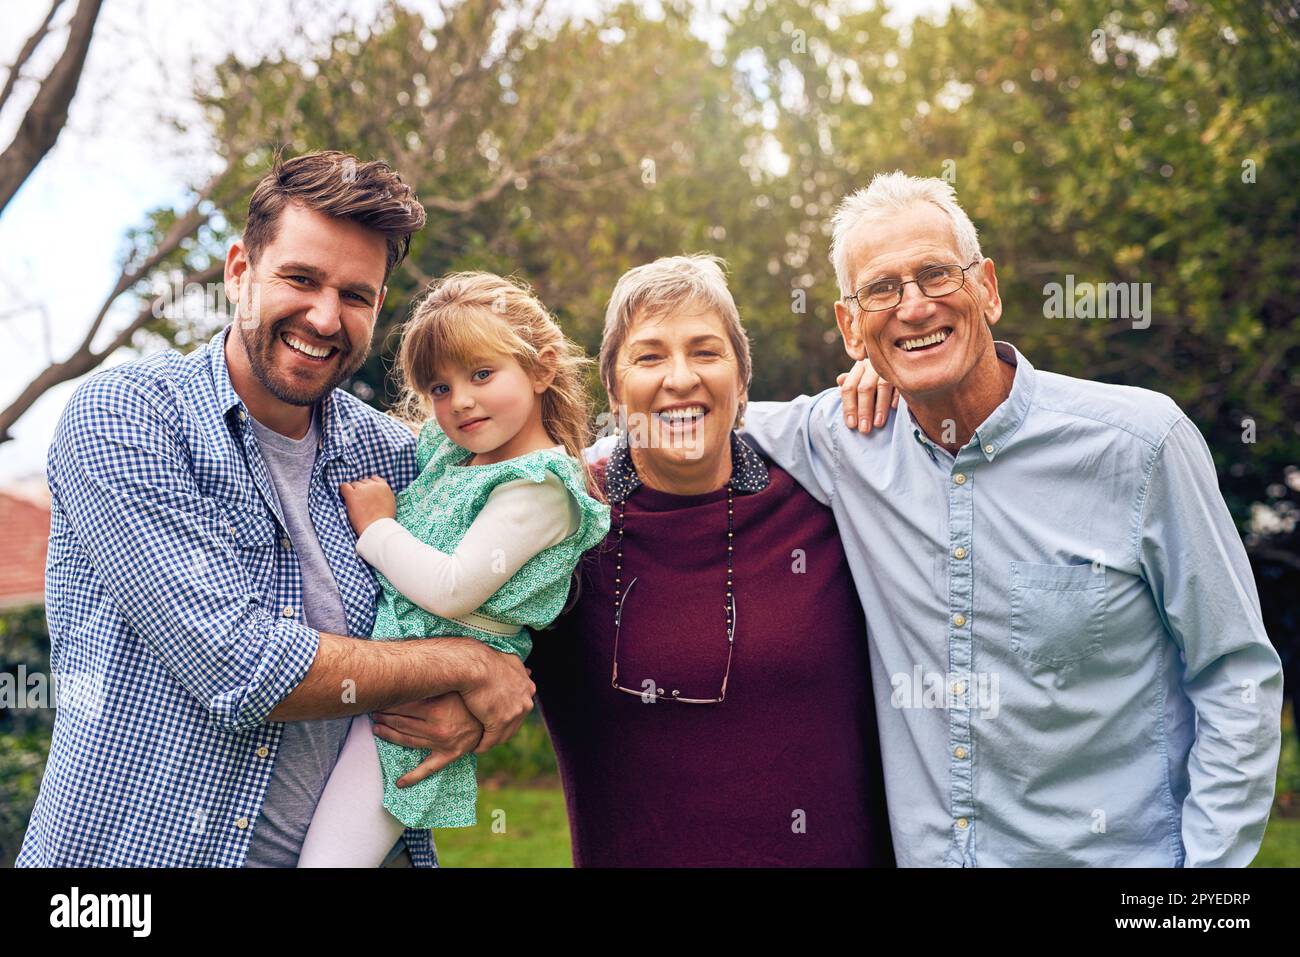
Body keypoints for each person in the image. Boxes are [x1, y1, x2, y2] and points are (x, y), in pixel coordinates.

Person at [738, 171, 1284, 866]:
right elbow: (680, 421)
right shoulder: (847, 440)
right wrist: (554, 477)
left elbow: (1235, 675)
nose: (913, 306)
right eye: (881, 289)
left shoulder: (1142, 445)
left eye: (936, 274)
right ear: (851, 326)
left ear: (987, 288)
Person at [17, 151, 535, 868]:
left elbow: (515, 550)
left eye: (356, 294)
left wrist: (480, 699)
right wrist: (466, 664)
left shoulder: (394, 455)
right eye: (299, 278)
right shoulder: (127, 417)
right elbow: (242, 663)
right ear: (239, 272)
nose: (324, 317)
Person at [528, 254, 895, 867]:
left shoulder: (833, 495)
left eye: (705, 351)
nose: (680, 379)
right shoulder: (560, 518)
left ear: (742, 385)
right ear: (614, 390)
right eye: (648, 356)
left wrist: (895, 384)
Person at [297, 273, 609, 866]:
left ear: (541, 370)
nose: (460, 401)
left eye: (482, 375)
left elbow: (452, 587)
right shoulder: (458, 452)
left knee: (329, 860)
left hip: (426, 700)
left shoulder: (538, 487)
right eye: (440, 387)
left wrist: (377, 527)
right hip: (387, 665)